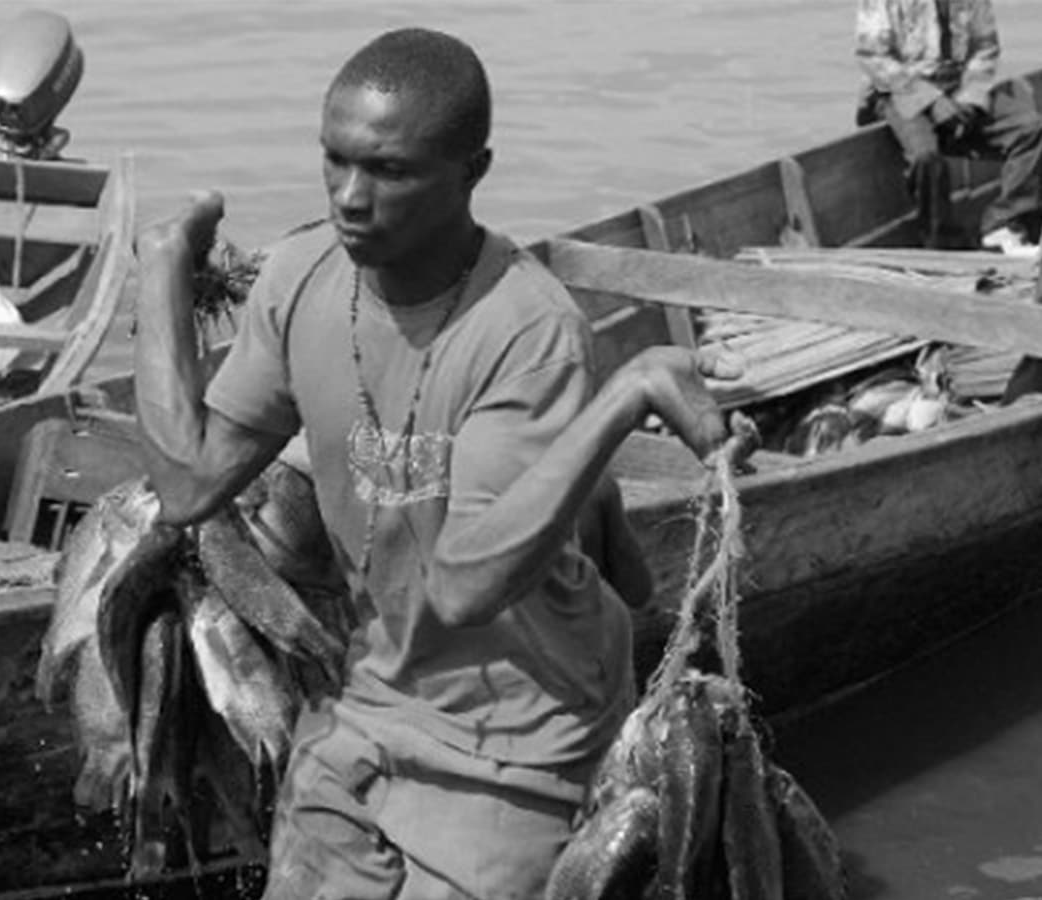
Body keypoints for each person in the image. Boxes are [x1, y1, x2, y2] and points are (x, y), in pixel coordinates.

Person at [134, 27, 736, 900]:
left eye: (390, 171)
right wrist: (162, 268)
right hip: (367, 704)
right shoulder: (301, 276)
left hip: (517, 740)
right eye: (334, 161)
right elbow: (189, 482)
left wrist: (626, 392)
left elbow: (462, 589)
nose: (350, 197)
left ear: (473, 171)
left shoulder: (528, 332)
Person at [855, 0, 1042, 254]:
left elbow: (985, 48)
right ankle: (941, 243)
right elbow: (874, 58)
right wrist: (932, 102)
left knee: (1030, 129)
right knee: (926, 156)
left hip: (958, 86)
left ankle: (1003, 224)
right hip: (898, 91)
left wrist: (968, 96)